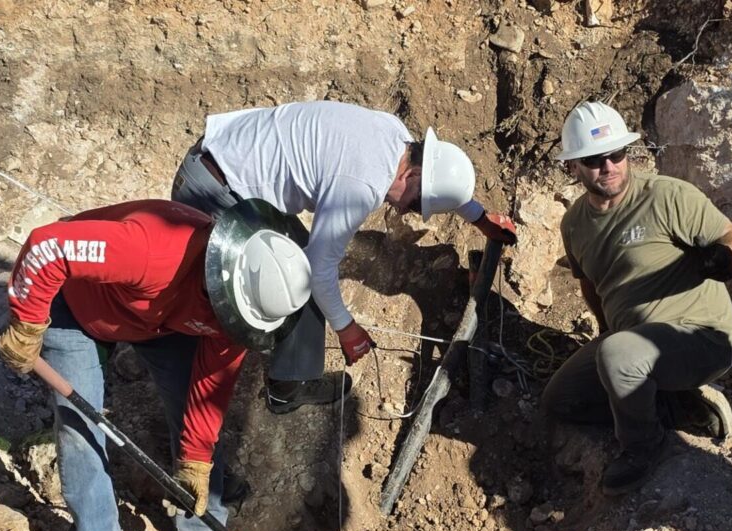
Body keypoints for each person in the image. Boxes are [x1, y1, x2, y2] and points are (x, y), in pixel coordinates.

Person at [0, 198, 312, 531]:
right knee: (80, 423)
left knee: (197, 437)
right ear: (223, 282)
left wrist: (195, 459)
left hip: (159, 324)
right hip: (77, 307)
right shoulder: (152, 250)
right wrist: (27, 319)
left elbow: (207, 393)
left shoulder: (237, 319)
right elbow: (47, 246)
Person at [170, 100, 517, 414]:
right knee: (272, 286)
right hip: (213, 195)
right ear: (410, 176)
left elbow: (435, 175)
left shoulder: (396, 137)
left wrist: (481, 219)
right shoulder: (362, 183)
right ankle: (190, 379)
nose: (404, 210)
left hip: (220, 164)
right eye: (413, 203)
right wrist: (346, 328)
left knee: (298, 256)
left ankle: (290, 381)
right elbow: (317, 271)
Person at [542, 101, 732, 495]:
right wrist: (606, 333)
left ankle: (643, 446)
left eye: (616, 154)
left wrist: (726, 260)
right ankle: (676, 405)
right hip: (631, 342)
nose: (608, 166)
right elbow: (590, 284)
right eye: (593, 159)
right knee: (562, 399)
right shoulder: (574, 224)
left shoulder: (667, 196)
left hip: (698, 338)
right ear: (572, 166)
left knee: (619, 356)